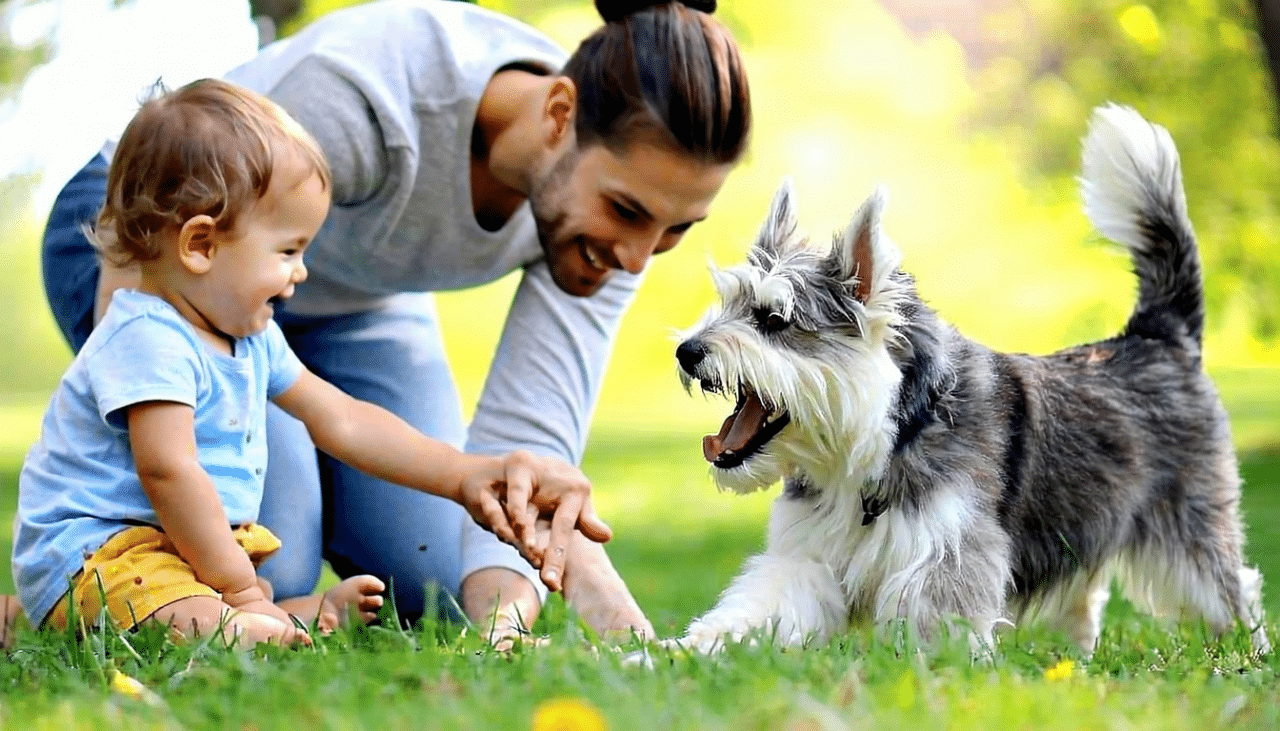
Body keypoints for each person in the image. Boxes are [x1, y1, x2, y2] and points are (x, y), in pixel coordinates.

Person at [38, 0, 752, 643]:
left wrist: (502, 616)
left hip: (342, 298)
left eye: (675, 229)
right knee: (265, 548)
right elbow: (154, 337)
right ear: (559, 116)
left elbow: (520, 434)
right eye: (627, 211)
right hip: (152, 238)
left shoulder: (614, 230)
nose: (636, 259)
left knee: (437, 581)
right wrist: (215, 564)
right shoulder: (363, 92)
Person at [13, 78, 607, 647]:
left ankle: (277, 616)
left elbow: (343, 419)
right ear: (200, 245)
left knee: (208, 590)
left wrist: (461, 473)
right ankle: (239, 620)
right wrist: (240, 590)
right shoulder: (146, 337)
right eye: (288, 251)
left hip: (169, 552)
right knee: (191, 610)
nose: (301, 273)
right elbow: (168, 471)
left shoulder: (249, 337)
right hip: (99, 553)